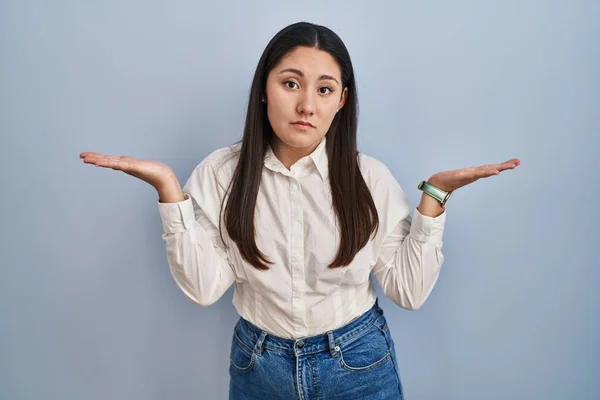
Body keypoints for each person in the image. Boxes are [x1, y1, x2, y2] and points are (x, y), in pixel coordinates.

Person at [80, 21, 519, 400]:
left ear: (341, 100)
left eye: (324, 89)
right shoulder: (219, 174)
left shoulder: (370, 179)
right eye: (291, 83)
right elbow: (204, 288)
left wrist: (435, 198)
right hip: (259, 365)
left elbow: (409, 291)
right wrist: (169, 192)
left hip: (358, 363)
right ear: (264, 89)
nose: (307, 104)